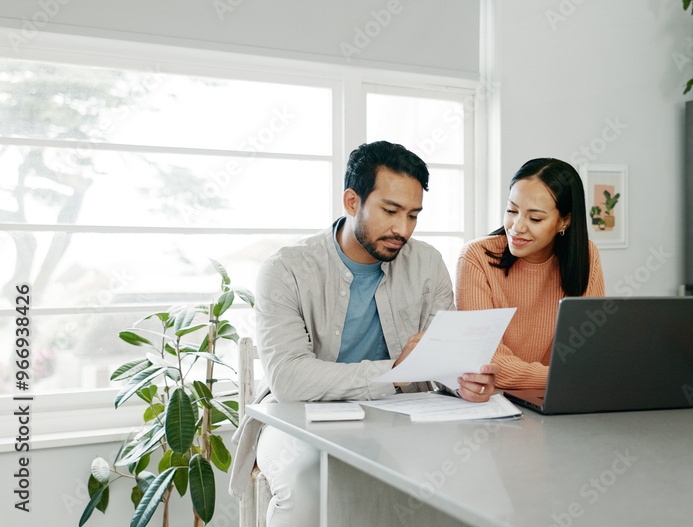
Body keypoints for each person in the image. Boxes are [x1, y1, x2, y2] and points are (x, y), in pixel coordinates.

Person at [229, 141, 499, 527]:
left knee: (463, 477)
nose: (402, 229)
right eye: (390, 211)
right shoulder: (286, 269)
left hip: (401, 416)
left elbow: (441, 359)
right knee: (307, 489)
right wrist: (395, 373)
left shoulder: (427, 263)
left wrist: (463, 381)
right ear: (352, 201)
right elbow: (289, 379)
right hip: (298, 416)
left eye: (413, 215)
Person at [455, 158, 605, 390]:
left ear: (564, 221)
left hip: (565, 397)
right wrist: (564, 376)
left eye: (535, 218)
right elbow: (485, 359)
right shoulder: (476, 257)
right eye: (511, 210)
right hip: (496, 400)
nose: (516, 227)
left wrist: (577, 375)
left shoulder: (586, 255)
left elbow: (589, 351)